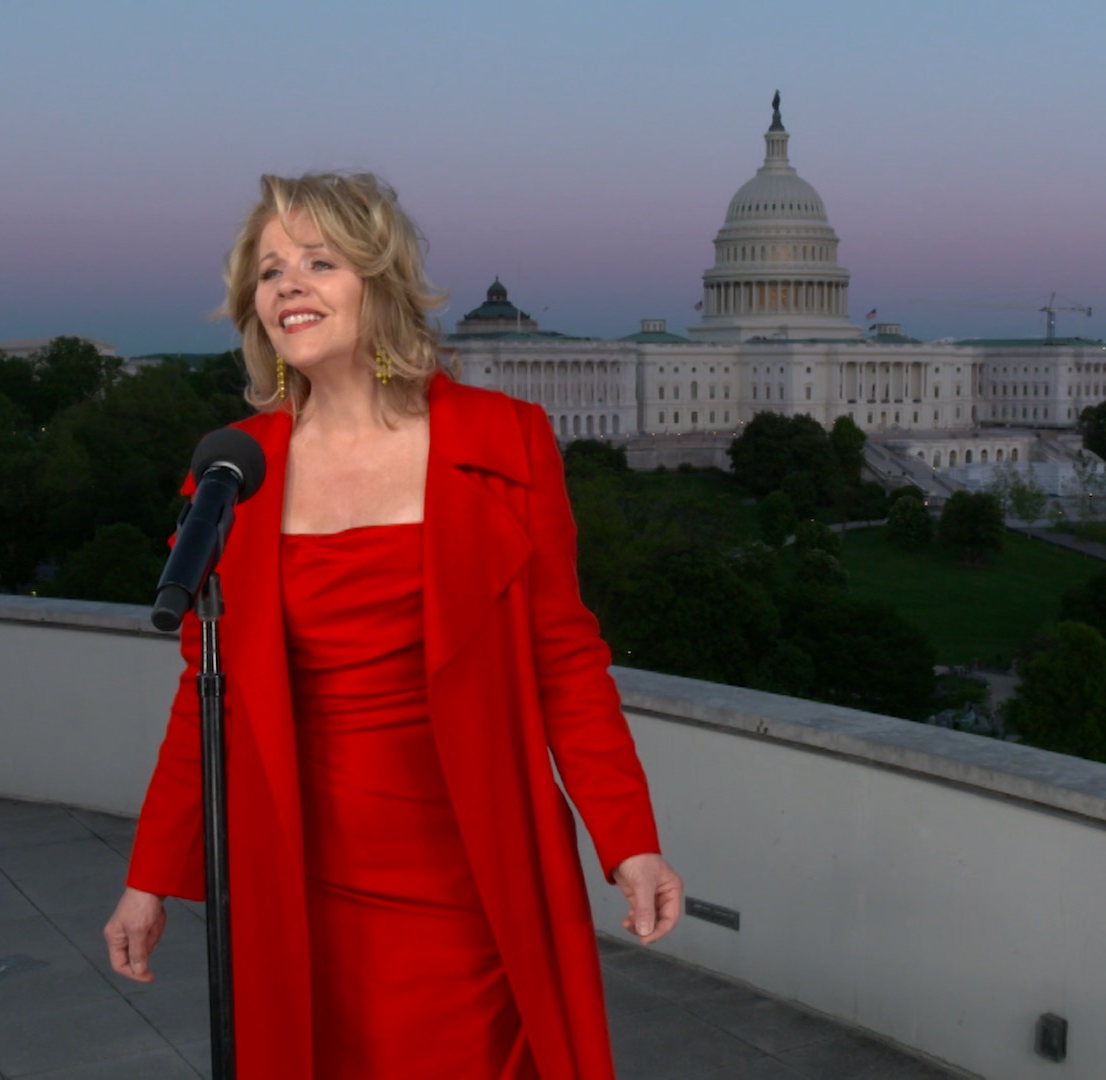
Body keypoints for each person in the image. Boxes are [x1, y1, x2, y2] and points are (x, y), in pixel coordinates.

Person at [102, 171, 682, 1079]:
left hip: (471, 876)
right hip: (300, 876)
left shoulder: (506, 441)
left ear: (379, 281)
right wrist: (149, 876)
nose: (287, 283)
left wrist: (629, 838)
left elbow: (564, 660)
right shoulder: (233, 471)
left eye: (318, 261)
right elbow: (206, 694)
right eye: (269, 271)